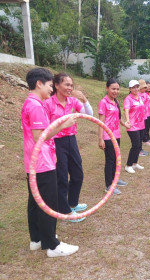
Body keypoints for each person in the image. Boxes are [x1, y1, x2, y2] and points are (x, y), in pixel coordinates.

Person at [23, 67, 79, 257]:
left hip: (33, 161)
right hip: (42, 162)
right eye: (49, 85)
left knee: (35, 201)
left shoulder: (30, 102)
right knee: (47, 202)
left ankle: (36, 239)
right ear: (39, 84)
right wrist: (63, 125)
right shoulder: (37, 105)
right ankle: (52, 245)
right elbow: (40, 136)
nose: (51, 90)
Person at [44, 73, 93, 222]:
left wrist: (84, 100)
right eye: (66, 84)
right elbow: (45, 129)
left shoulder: (72, 101)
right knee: (62, 178)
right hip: (56, 142)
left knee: (78, 174)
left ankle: (72, 203)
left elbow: (89, 115)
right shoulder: (48, 103)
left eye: (71, 85)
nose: (70, 88)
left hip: (71, 140)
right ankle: (65, 211)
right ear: (56, 85)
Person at [98, 78, 128, 195]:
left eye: (117, 89)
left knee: (116, 158)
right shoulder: (103, 102)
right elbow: (100, 121)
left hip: (116, 134)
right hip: (107, 136)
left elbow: (118, 117)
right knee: (110, 160)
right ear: (107, 88)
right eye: (113, 89)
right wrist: (100, 139)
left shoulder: (115, 101)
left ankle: (115, 179)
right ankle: (109, 185)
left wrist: (124, 123)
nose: (115, 91)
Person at [124, 80, 145, 174]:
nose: (136, 89)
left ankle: (135, 163)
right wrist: (128, 121)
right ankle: (128, 165)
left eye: (137, 87)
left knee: (139, 145)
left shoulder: (139, 97)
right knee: (135, 145)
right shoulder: (128, 99)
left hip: (140, 124)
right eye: (133, 87)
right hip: (132, 126)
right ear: (130, 89)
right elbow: (126, 110)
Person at [140, 79, 150, 146]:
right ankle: (145, 139)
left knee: (148, 126)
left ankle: (147, 138)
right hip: (143, 113)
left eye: (147, 87)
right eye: (145, 87)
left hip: (148, 112)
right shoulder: (140, 95)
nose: (147, 88)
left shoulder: (147, 94)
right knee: (145, 127)